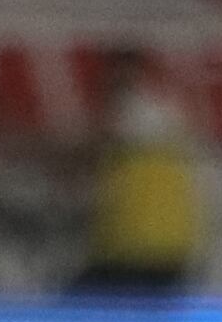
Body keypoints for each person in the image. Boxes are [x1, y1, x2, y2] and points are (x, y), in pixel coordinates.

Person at [74, 61, 204, 295]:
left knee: (81, 303)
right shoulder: (167, 120)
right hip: (164, 247)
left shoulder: (140, 115)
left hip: (139, 250)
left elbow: (97, 143)